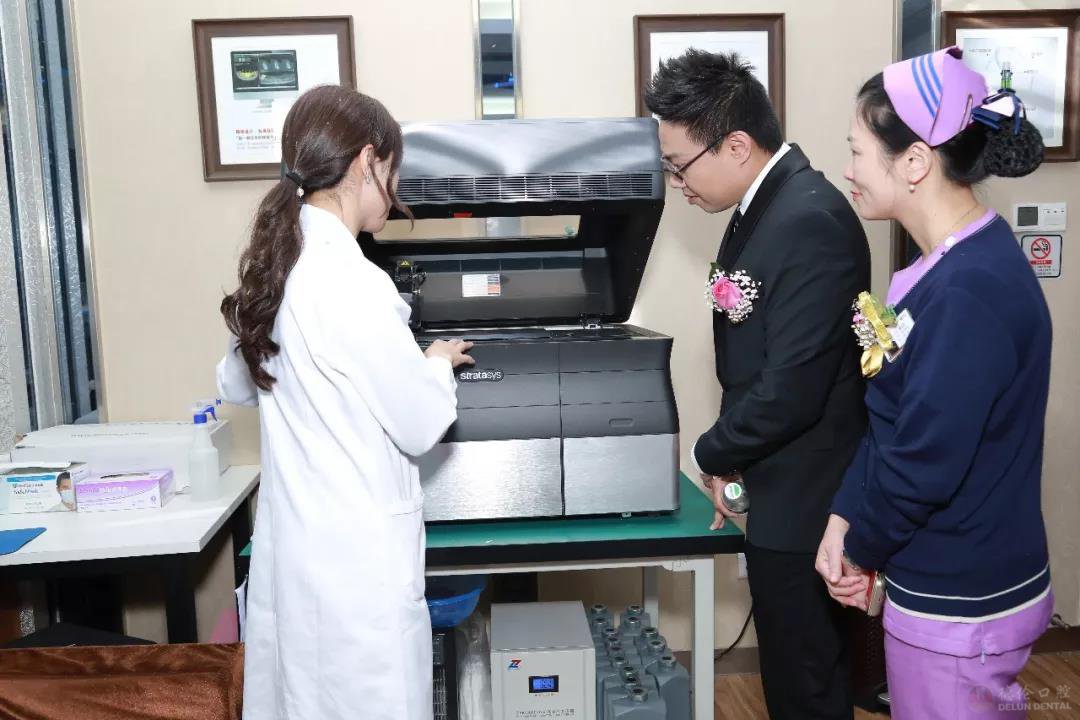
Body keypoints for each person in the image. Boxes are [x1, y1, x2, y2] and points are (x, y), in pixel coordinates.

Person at [216, 85, 474, 720]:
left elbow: (236, 383)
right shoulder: (353, 282)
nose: (395, 186)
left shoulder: (277, 270)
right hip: (357, 574)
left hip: (297, 558)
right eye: (394, 169)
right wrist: (436, 363)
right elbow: (419, 422)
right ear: (367, 161)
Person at [817, 47, 1052, 719]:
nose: (848, 169)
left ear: (915, 162)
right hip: (951, 577)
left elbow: (924, 463)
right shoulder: (947, 266)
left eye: (858, 152)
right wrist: (845, 514)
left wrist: (860, 549)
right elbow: (894, 419)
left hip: (962, 597)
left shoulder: (968, 290)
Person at [645, 50, 870, 719]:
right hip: (779, 489)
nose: (677, 182)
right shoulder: (762, 210)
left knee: (807, 686)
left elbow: (792, 386)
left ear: (736, 145)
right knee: (790, 677)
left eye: (679, 164)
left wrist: (709, 452)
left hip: (809, 504)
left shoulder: (809, 219)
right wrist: (736, 459)